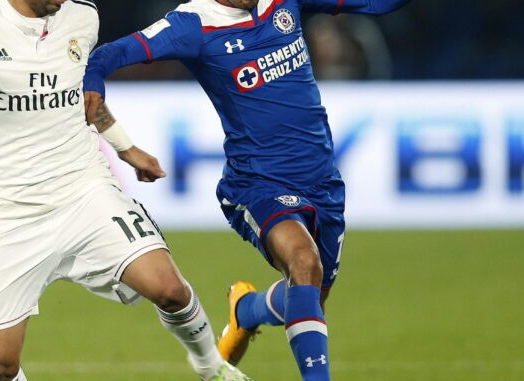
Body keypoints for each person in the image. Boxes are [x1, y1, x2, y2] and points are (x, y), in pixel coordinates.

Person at [0, 1, 253, 380]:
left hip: (84, 191)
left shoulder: (82, 16)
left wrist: (126, 148)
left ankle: (213, 369)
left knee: (170, 288)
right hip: (9, 215)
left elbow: (77, 92)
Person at [83, 0, 413, 379]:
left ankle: (247, 310)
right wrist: (94, 84)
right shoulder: (193, 24)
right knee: (304, 263)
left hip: (322, 181)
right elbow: (108, 55)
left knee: (309, 293)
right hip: (257, 183)